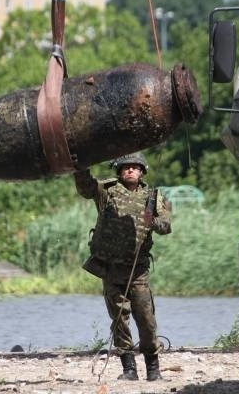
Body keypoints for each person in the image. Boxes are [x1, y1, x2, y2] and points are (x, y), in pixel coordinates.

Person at [73, 152, 171, 381]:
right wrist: (79, 164)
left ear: (142, 171)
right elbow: (86, 188)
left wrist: (153, 222)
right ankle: (129, 369)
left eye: (135, 167)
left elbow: (166, 226)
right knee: (119, 320)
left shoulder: (152, 197)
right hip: (110, 269)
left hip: (138, 271)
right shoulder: (106, 191)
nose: (130, 170)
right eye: (126, 167)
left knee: (146, 320)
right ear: (119, 170)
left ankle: (153, 369)